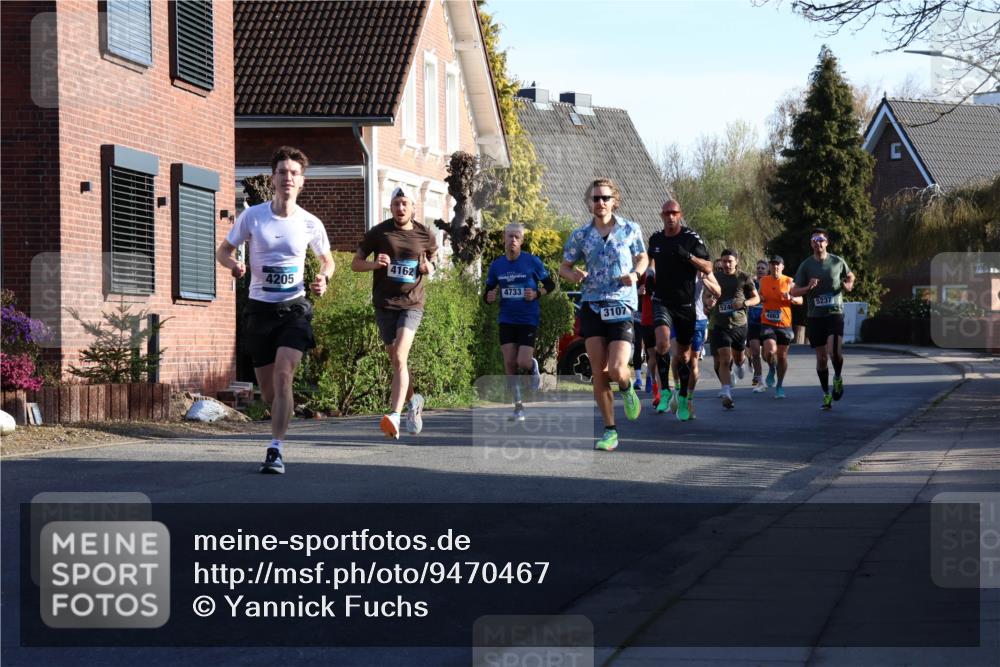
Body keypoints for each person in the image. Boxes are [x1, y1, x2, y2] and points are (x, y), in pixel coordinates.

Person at [216, 146, 335, 474]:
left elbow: (328, 260)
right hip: (259, 311)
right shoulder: (253, 216)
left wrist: (323, 278)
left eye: (294, 173)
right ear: (273, 179)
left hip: (294, 309)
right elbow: (223, 250)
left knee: (284, 376)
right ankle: (281, 413)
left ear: (302, 182)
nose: (288, 178)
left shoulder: (310, 223)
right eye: (282, 172)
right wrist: (233, 265)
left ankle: (275, 448)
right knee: (269, 393)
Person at [560, 178, 648, 451]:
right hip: (593, 305)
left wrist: (635, 274)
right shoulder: (580, 235)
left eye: (605, 198)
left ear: (614, 201)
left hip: (621, 303)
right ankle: (610, 431)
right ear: (590, 202)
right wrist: (573, 274)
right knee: (598, 371)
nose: (600, 203)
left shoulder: (630, 229)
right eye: (596, 198)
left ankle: (627, 387)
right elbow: (564, 266)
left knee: (618, 368)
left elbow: (642, 258)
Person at [352, 186, 438, 438]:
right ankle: (414, 403)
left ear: (413, 207)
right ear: (391, 207)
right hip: (384, 304)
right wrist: (373, 264)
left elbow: (434, 261)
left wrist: (427, 267)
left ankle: (395, 416)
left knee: (400, 355)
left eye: (404, 203)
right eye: (396, 204)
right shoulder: (379, 232)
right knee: (396, 360)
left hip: (412, 303)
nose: (400, 208)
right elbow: (355, 264)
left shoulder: (425, 234)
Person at [646, 199, 712, 421]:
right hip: (661, 300)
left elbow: (708, 266)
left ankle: (683, 398)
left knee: (684, 357)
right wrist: (650, 274)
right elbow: (651, 260)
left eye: (674, 213)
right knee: (662, 344)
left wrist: (689, 257)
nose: (670, 217)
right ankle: (665, 390)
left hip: (685, 304)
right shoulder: (655, 238)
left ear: (680, 214)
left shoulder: (690, 238)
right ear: (661, 215)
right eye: (666, 213)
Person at [484, 223, 555, 421]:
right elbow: (488, 290)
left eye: (516, 237)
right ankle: (518, 406)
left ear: (522, 241)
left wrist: (537, 293)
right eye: (509, 236)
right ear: (504, 240)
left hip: (527, 318)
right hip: (506, 318)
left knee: (521, 361)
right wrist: (488, 296)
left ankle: (532, 366)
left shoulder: (532, 262)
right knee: (509, 362)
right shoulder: (497, 265)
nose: (513, 240)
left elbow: (550, 284)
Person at [791, 228, 855, 410]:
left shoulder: (837, 261)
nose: (818, 243)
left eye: (821, 239)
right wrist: (808, 288)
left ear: (826, 242)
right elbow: (793, 291)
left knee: (834, 350)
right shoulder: (806, 265)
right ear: (811, 244)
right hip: (815, 316)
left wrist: (848, 284)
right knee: (821, 358)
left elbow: (850, 275)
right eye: (814, 240)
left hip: (835, 311)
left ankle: (838, 378)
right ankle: (826, 393)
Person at [710, 249, 760, 409]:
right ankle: (726, 393)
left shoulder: (743, 277)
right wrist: (708, 302)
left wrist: (744, 303)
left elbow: (756, 298)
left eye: (730, 261)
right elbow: (707, 296)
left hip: (739, 324)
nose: (726, 264)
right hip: (721, 324)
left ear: (736, 262)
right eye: (724, 261)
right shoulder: (716, 277)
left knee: (738, 358)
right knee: (724, 358)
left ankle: (741, 363)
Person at [669, 269, 721, 419]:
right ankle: (678, 390)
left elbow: (718, 292)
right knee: (678, 357)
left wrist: (705, 281)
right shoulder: (673, 269)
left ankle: (688, 399)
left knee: (692, 363)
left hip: (698, 321)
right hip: (677, 319)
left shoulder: (702, 270)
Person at [758, 255, 802, 399]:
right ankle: (771, 369)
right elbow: (759, 296)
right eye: (773, 264)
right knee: (770, 351)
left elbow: (800, 299)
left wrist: (791, 298)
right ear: (769, 267)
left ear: (782, 267)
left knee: (782, 357)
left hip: (784, 324)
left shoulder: (789, 281)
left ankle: (780, 385)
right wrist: (761, 298)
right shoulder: (763, 281)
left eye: (778, 265)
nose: (775, 267)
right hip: (768, 322)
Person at [747, 259, 768, 391]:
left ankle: (771, 369)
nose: (760, 270)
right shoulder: (751, 283)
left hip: (767, 322)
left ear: (767, 271)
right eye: (758, 268)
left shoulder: (771, 283)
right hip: (753, 321)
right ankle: (760, 379)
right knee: (755, 351)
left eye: (762, 268)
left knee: (767, 355)